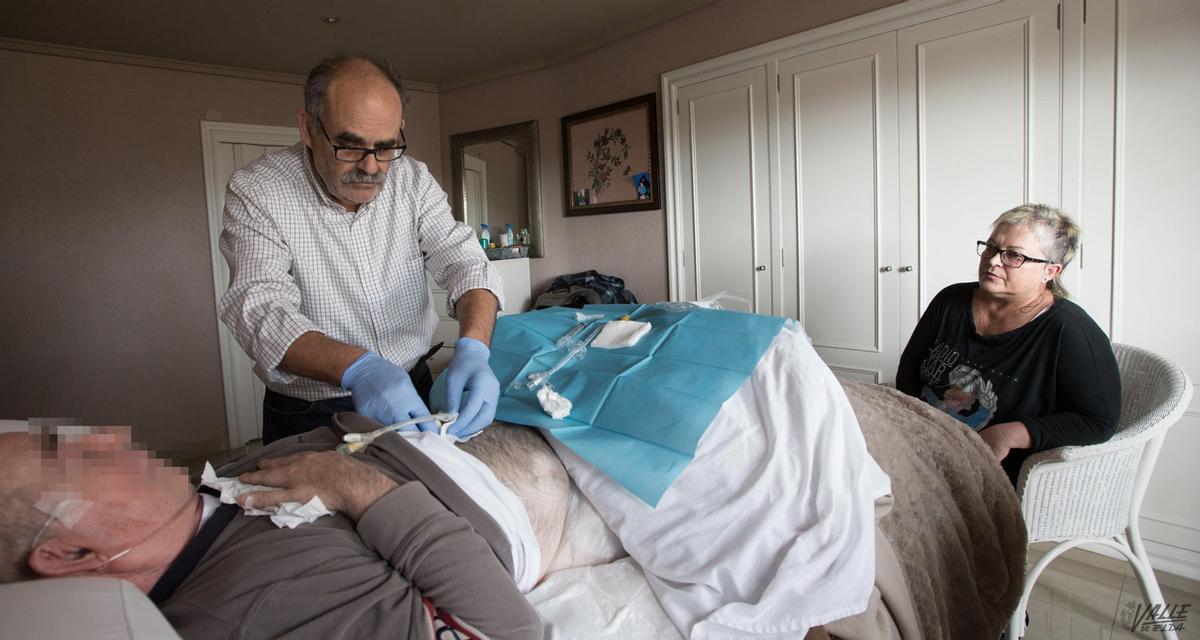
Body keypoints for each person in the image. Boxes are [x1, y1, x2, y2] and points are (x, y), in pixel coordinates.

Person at [0, 421, 563, 639]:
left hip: (447, 428)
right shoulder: (251, 611)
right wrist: (361, 488)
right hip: (537, 487)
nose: (103, 435)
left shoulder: (197, 506)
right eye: (77, 457)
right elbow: (507, 632)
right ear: (72, 552)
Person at [219, 52, 503, 444]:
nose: (371, 167)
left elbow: (464, 260)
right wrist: (358, 368)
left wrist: (474, 345)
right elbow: (259, 307)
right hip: (310, 412)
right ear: (308, 127)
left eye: (386, 147)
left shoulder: (413, 180)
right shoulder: (258, 190)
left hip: (412, 385)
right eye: (350, 146)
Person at [895, 204, 1120, 482]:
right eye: (990, 247)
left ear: (1050, 271)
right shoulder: (950, 300)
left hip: (990, 470)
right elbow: (909, 371)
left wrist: (1009, 434)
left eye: (1014, 255)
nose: (992, 261)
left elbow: (1098, 422)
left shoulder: (1068, 330)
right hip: (919, 442)